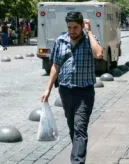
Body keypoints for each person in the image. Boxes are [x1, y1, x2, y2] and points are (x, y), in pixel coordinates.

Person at [41, 12, 102, 164]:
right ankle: (78, 156)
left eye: (75, 27)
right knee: (72, 128)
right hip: (66, 91)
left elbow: (99, 53)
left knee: (80, 127)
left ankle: (77, 161)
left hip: (84, 92)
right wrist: (48, 88)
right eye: (69, 27)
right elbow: (55, 65)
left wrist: (89, 32)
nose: (72, 31)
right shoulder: (60, 41)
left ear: (82, 26)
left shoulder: (89, 40)